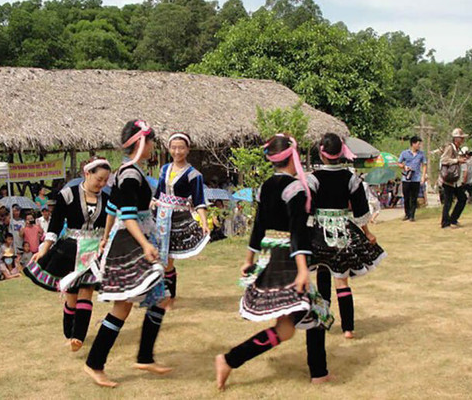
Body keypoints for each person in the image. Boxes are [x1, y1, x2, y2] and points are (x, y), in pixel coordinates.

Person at [215, 134, 332, 391]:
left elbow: (258, 225)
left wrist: (249, 259)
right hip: (287, 259)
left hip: (270, 254)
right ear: (293, 156)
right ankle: (229, 359)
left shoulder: (266, 186)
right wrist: (302, 270)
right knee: (308, 314)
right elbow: (298, 230)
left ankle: (319, 372)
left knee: (300, 320)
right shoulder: (296, 189)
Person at [84, 120, 169, 388]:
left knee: (159, 298)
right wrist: (144, 244)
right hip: (131, 242)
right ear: (142, 142)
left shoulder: (128, 171)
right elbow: (128, 214)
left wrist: (106, 236)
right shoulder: (131, 174)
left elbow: (111, 207)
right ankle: (94, 363)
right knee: (123, 306)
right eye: (152, 141)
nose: (154, 146)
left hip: (128, 237)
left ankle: (145, 356)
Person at [26, 157, 112, 352]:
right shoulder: (67, 195)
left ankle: (78, 337)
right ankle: (69, 333)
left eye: (105, 180)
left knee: (87, 290)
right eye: (99, 179)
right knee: (71, 296)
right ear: (87, 173)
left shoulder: (107, 200)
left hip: (94, 252)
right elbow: (55, 225)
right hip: (70, 250)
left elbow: (111, 224)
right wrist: (44, 249)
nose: (102, 184)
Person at [306, 133, 385, 339]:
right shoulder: (351, 179)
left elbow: (307, 209)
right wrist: (367, 233)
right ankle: (348, 328)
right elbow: (360, 211)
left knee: (323, 273)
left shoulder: (312, 179)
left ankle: (322, 321)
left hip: (320, 232)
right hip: (343, 231)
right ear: (341, 153)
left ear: (322, 154)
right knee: (342, 281)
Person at [153, 132, 209, 305]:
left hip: (177, 219)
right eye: (174, 147)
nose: (177, 151)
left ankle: (169, 297)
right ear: (169, 149)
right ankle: (160, 295)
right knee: (157, 258)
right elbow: (158, 193)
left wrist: (204, 222)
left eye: (181, 148)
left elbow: (199, 200)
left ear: (188, 149)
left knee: (168, 259)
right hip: (159, 216)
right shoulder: (164, 169)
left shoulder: (194, 175)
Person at [439, 128, 469, 228]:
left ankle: (453, 219)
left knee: (462, 198)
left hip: (455, 180)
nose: (462, 140)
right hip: (449, 179)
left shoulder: (456, 148)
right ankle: (445, 222)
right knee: (448, 202)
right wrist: (457, 160)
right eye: (461, 138)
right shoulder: (450, 147)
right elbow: (444, 160)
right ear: (456, 138)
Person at [397, 136, 427, 221]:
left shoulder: (421, 154)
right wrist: (404, 167)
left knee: (414, 198)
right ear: (413, 144)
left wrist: (423, 176)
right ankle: (407, 213)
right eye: (418, 144)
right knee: (406, 197)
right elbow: (398, 163)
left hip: (416, 178)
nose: (419, 145)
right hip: (406, 178)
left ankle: (412, 215)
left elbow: (424, 165)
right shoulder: (404, 153)